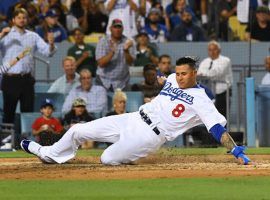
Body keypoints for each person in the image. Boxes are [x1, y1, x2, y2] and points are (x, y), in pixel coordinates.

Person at [20, 56, 251, 166]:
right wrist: (163, 80)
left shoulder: (202, 100)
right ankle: (48, 153)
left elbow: (217, 128)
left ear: (194, 73)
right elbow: (166, 81)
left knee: (106, 158)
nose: (179, 76)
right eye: (177, 73)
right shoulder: (172, 78)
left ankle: (130, 155)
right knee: (78, 130)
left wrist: (235, 150)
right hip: (132, 118)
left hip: (150, 135)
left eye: (184, 73)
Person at [0, 8, 56, 124]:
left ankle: (26, 140)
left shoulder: (33, 36)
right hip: (10, 79)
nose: (22, 20)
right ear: (13, 19)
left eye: (24, 18)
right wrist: (1, 35)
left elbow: (48, 52)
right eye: (19, 18)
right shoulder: (6, 34)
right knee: (8, 113)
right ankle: (7, 141)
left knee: (28, 113)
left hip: (27, 79)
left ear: (27, 20)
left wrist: (51, 44)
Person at [95, 19, 135, 91]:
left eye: (119, 27)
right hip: (104, 80)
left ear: (122, 29)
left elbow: (130, 62)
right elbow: (101, 63)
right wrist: (112, 53)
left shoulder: (128, 42)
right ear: (110, 29)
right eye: (115, 27)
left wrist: (126, 51)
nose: (117, 29)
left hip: (122, 81)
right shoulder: (103, 41)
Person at [198, 41, 233, 118]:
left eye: (214, 49)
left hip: (223, 92)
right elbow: (199, 73)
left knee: (221, 116)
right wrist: (205, 74)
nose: (212, 52)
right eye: (210, 50)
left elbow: (217, 72)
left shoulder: (225, 60)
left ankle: (223, 130)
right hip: (208, 93)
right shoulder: (205, 61)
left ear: (219, 50)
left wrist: (204, 74)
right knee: (209, 116)